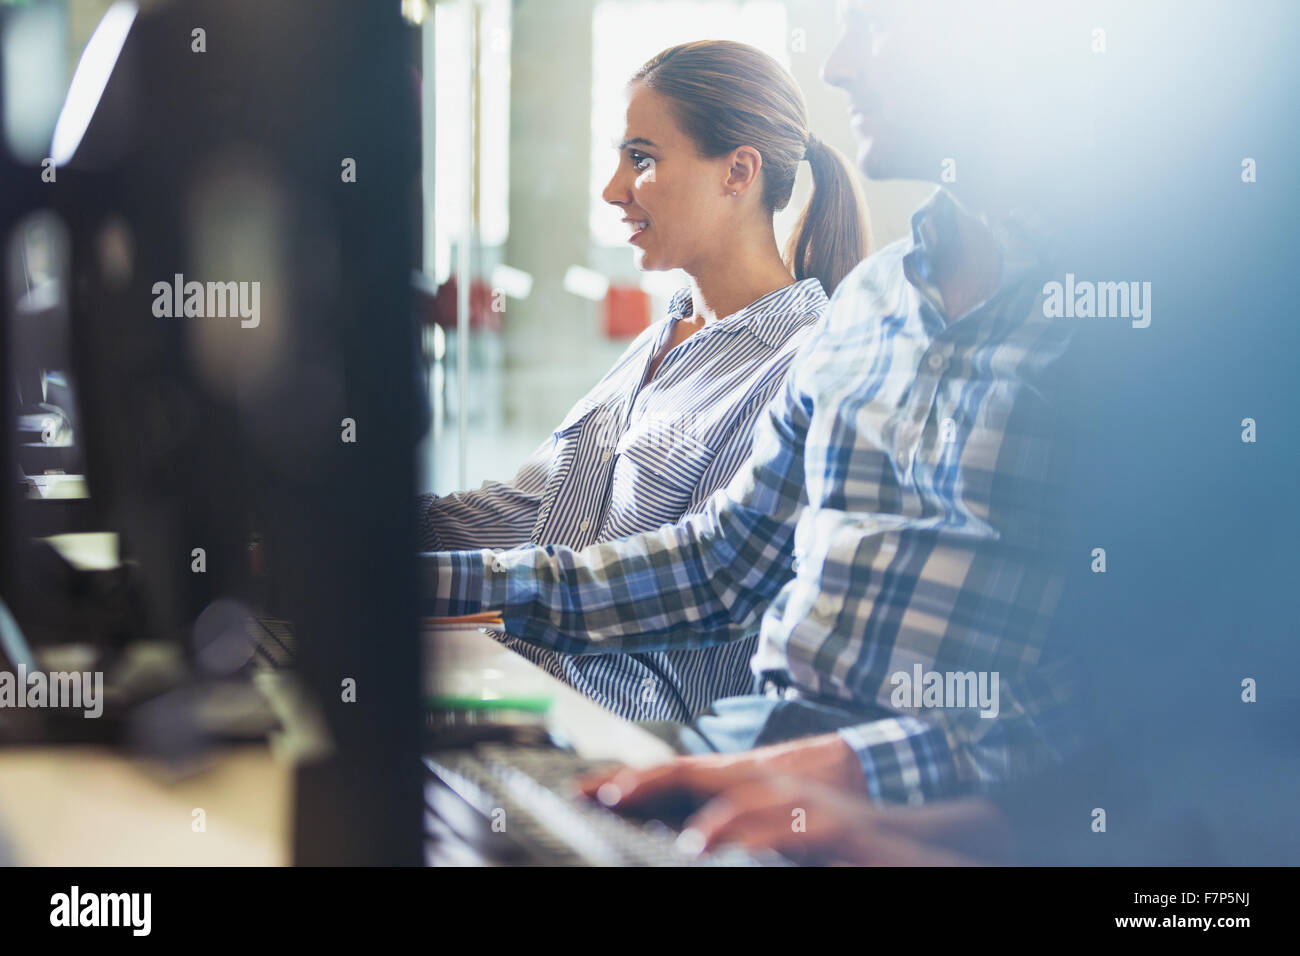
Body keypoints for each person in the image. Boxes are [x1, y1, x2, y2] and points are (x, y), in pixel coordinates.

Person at [424, 1, 1090, 804]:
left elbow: (1161, 691)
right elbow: (716, 567)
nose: (838, 64)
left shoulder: (1131, 322)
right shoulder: (873, 300)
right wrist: (427, 579)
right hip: (755, 739)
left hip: (872, 790)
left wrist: (853, 768)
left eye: (873, 24)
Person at [420, 40, 869, 721]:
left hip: (629, 739)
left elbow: (696, 582)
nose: (612, 189)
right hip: (525, 692)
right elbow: (524, 512)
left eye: (643, 158)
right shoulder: (658, 341)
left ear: (738, 172)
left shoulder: (803, 366)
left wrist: (413, 579)